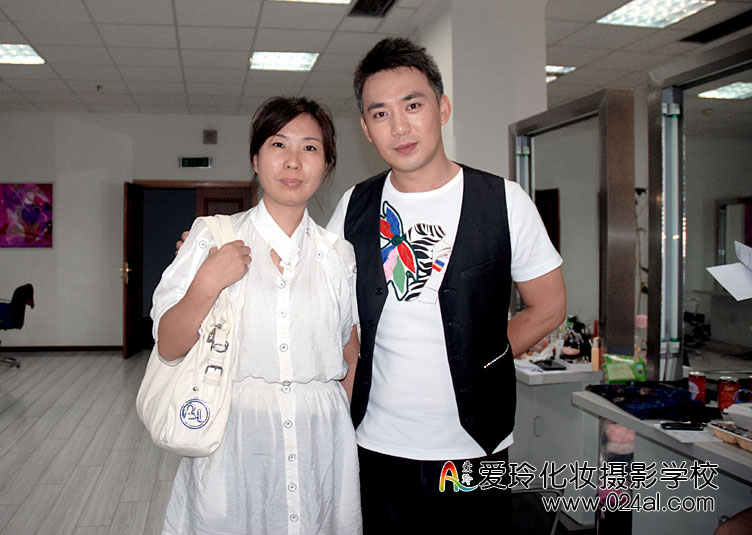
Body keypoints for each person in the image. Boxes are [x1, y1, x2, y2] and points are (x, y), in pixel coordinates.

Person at [324, 37, 567, 533]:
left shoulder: (503, 201)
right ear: (366, 129)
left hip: (475, 447)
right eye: (380, 113)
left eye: (412, 105)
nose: (399, 126)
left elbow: (548, 307)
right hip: (376, 443)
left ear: (443, 108)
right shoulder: (353, 207)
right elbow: (324, 305)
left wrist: (485, 356)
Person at [151, 97, 362, 534]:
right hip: (233, 440)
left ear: (326, 164)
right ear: (255, 158)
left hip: (321, 443)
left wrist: (336, 423)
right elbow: (169, 346)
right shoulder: (211, 237)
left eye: (310, 148)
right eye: (278, 144)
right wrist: (207, 283)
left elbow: (349, 352)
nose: (293, 161)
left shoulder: (338, 255)